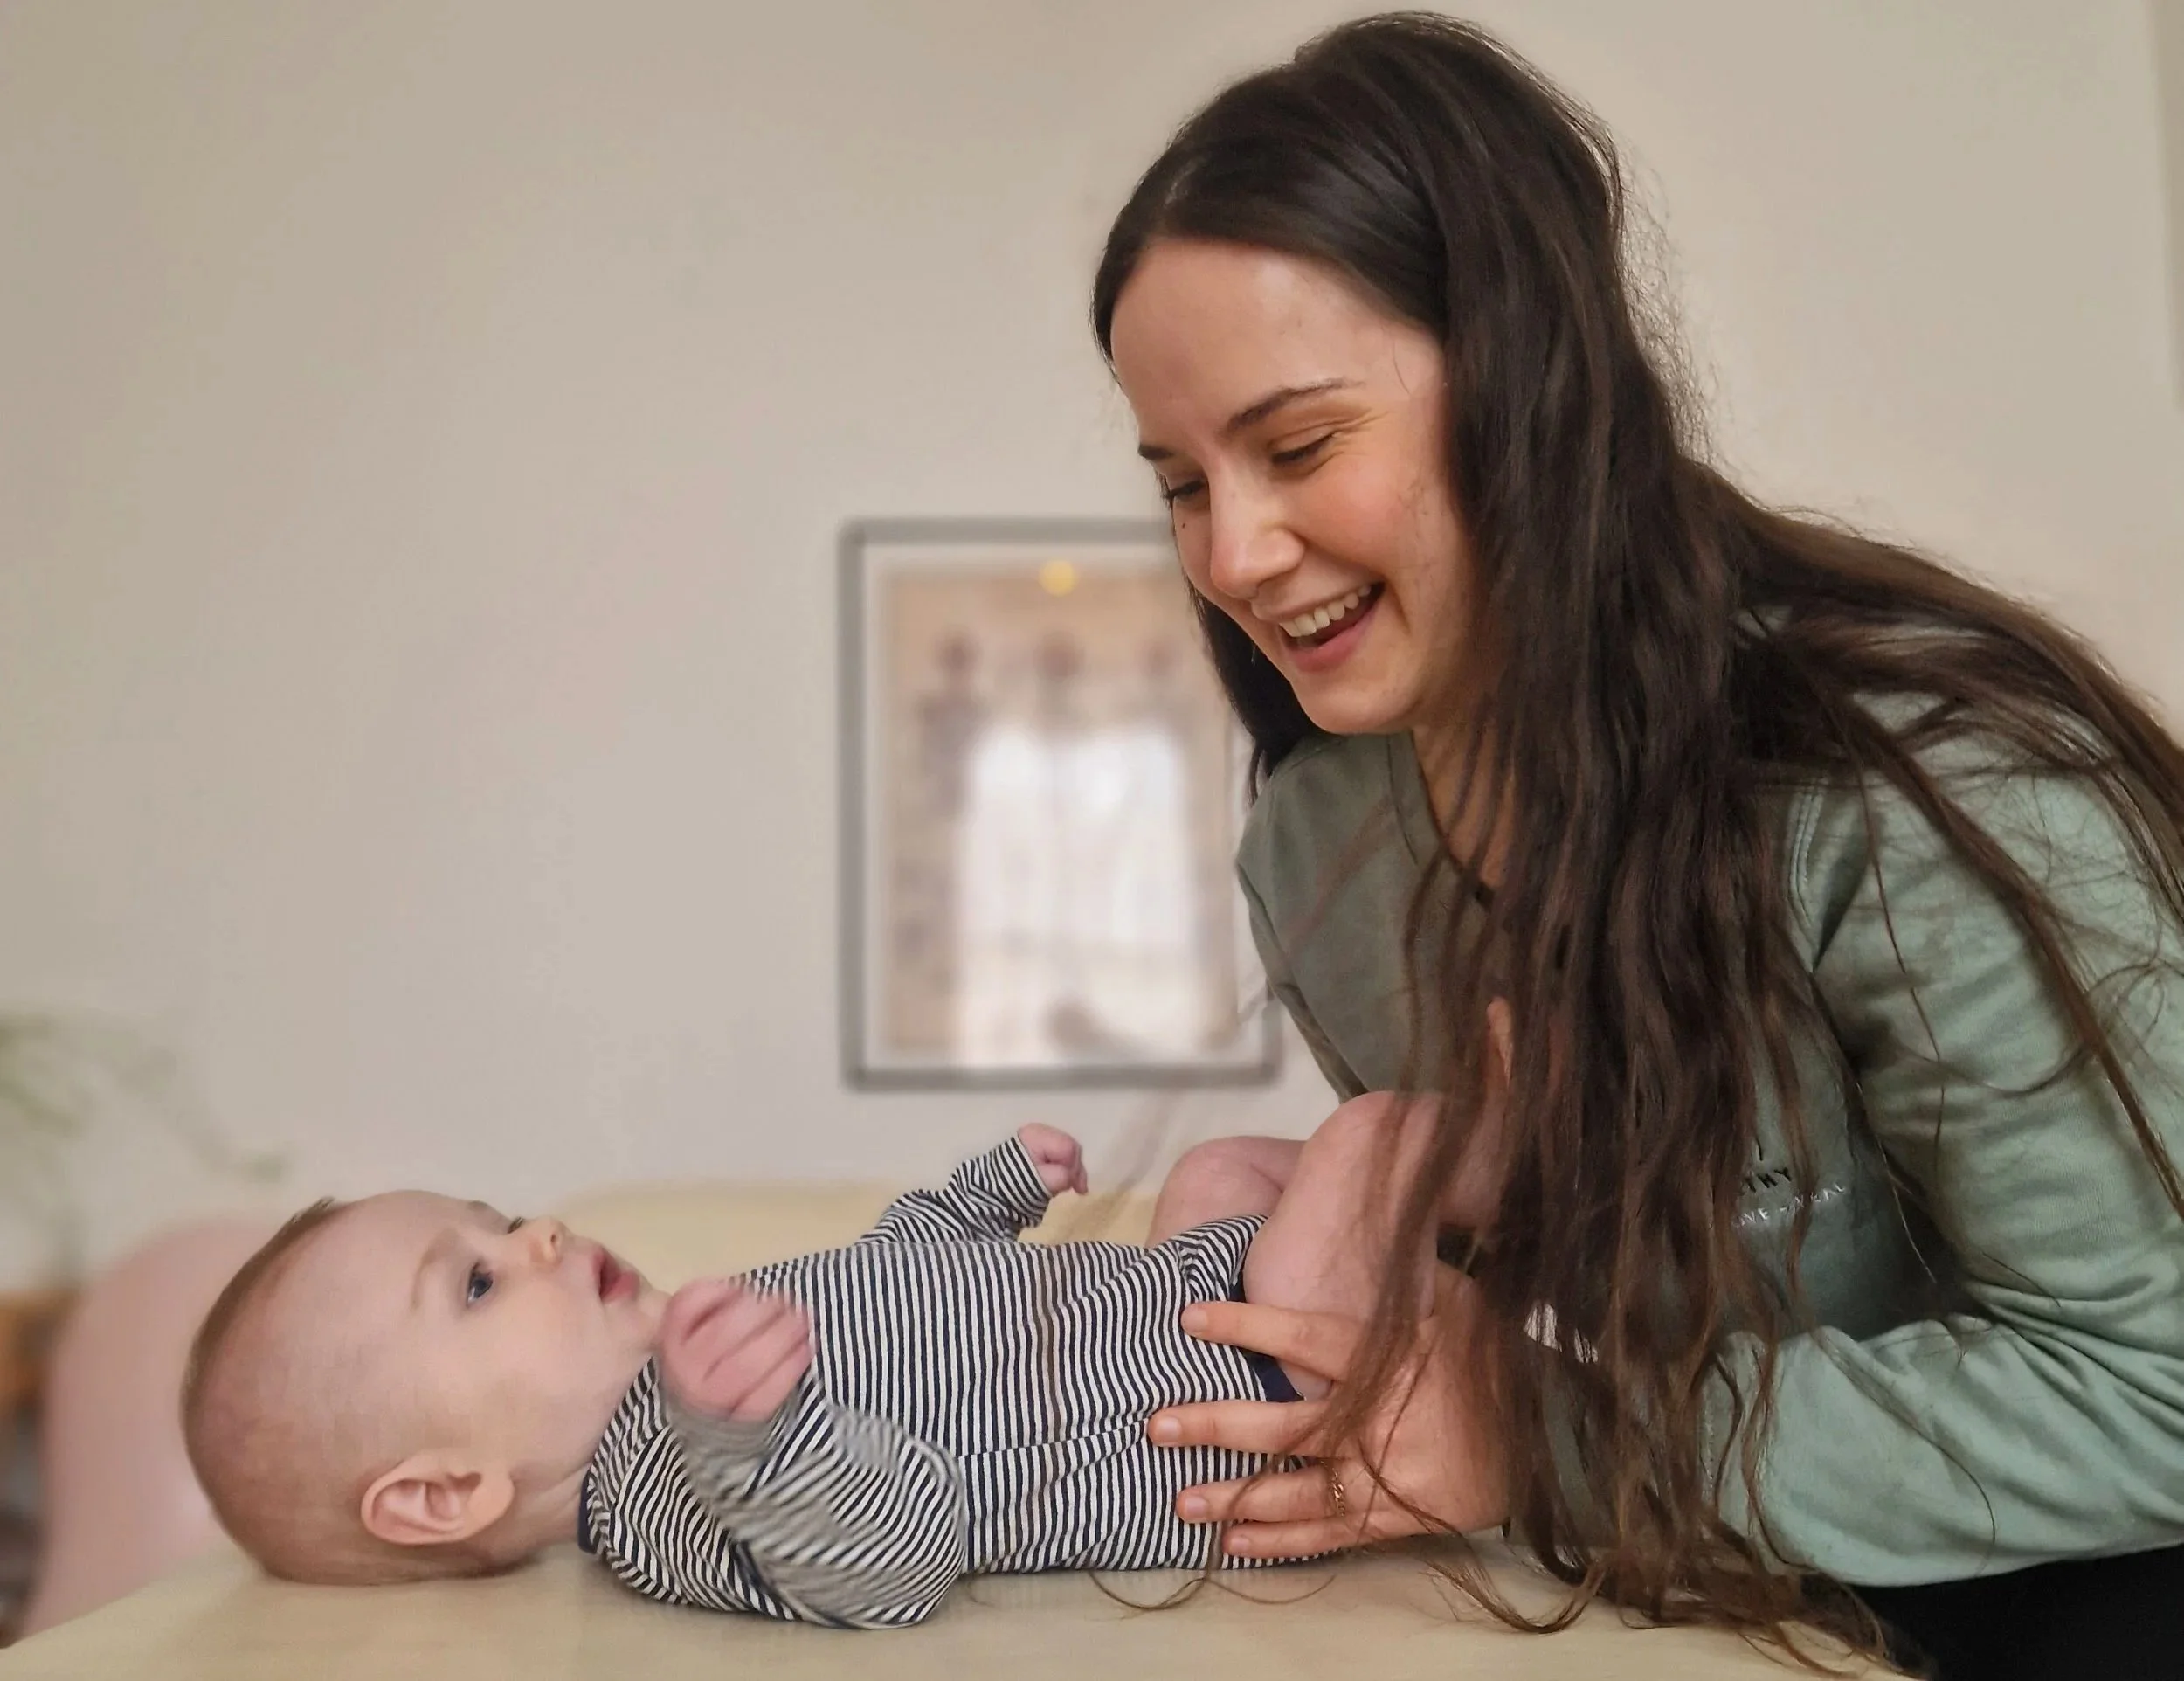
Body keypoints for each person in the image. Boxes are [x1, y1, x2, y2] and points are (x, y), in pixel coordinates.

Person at [1091, 14, 2184, 1678]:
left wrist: (1548, 1433)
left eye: (1299, 445)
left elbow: (2153, 1388)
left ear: (1530, 379)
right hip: (1758, 1588)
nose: (1234, 552)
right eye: (1179, 481)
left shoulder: (1916, 789)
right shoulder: (1325, 845)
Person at [178, 1103, 1458, 1627]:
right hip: (1251, 1415)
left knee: (1221, 1173)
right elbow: (905, 1557)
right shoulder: (672, 1492)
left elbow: (900, 1278)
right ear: (444, 1493)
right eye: (476, 1282)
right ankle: (1554, 1166)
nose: (540, 1236)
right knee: (1362, 1143)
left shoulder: (704, 1354)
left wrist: (987, 1192)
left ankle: (1480, 1251)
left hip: (1183, 1307)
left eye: (500, 1219)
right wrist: (757, 1434)